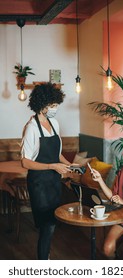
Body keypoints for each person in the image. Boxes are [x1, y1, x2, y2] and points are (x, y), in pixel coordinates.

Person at [21, 82, 73, 260]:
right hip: (39, 183)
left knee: (53, 222)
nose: (55, 108)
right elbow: (25, 162)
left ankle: (46, 257)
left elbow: (57, 155)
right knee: (47, 225)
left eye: (56, 104)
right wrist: (52, 167)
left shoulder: (55, 123)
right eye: (52, 105)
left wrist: (70, 165)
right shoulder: (32, 128)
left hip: (53, 181)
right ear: (42, 104)